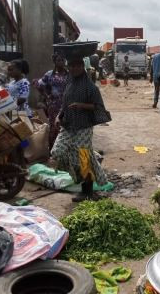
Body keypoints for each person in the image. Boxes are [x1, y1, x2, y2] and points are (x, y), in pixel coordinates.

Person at [51, 56, 107, 203]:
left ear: (83, 67)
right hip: (68, 125)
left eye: (77, 66)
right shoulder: (69, 83)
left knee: (83, 159)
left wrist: (81, 105)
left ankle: (87, 191)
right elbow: (65, 103)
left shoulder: (90, 87)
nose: (73, 69)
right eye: (71, 66)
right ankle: (93, 158)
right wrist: (59, 116)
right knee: (57, 152)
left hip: (83, 126)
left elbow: (98, 106)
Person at [35, 54, 69, 149]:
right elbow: (39, 84)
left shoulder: (69, 74)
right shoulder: (49, 74)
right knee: (53, 125)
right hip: (53, 105)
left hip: (66, 104)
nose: (61, 62)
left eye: (63, 60)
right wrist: (47, 96)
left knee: (65, 125)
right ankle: (52, 149)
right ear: (54, 62)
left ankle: (64, 148)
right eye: (58, 60)